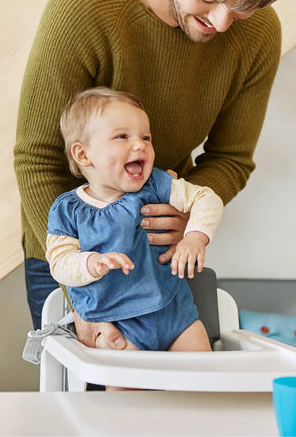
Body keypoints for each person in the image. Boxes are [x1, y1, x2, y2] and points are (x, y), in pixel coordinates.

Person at [14, 0, 296, 345]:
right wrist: (85, 297)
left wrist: (188, 218)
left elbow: (230, 161)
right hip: (70, 251)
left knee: (182, 401)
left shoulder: (258, 33)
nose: (222, 23)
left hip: (158, 260)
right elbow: (37, 158)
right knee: (89, 404)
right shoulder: (84, 6)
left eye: (243, 6)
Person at [46, 88, 223, 387]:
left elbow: (207, 198)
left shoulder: (156, 186)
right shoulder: (67, 210)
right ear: (83, 154)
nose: (140, 146)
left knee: (203, 388)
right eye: (122, 137)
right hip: (118, 328)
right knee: (127, 408)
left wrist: (195, 237)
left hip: (176, 316)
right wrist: (92, 263)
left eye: (146, 137)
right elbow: (59, 263)